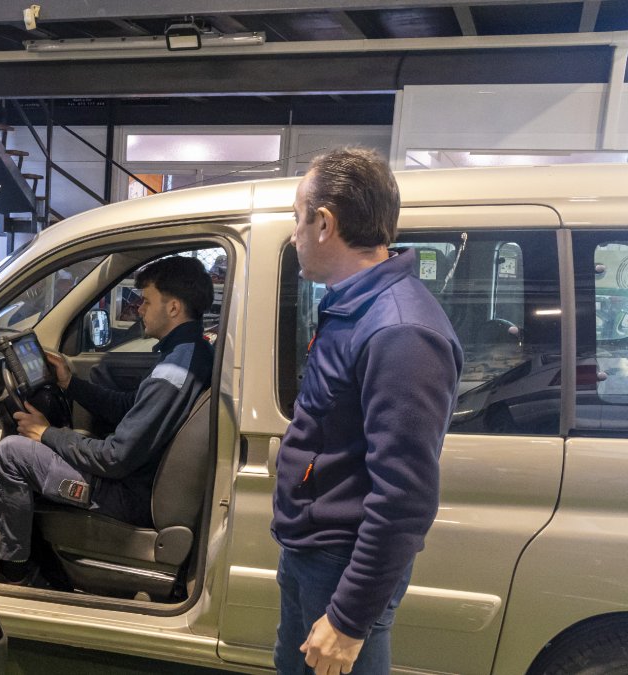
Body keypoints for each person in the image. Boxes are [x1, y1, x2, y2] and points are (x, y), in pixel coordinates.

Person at [272, 148, 463, 674]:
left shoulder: (400, 332)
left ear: (325, 223)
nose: (294, 234)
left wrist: (350, 619)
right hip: (316, 552)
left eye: (296, 217)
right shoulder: (351, 304)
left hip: (340, 567)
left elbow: (404, 498)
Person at [0, 256, 215, 584]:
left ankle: (14, 574)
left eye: (147, 302)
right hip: (139, 479)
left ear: (174, 308)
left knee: (10, 453)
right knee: (59, 439)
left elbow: (113, 457)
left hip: (129, 496)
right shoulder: (192, 353)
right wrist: (70, 383)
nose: (139, 310)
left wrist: (46, 433)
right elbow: (130, 406)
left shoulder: (172, 373)